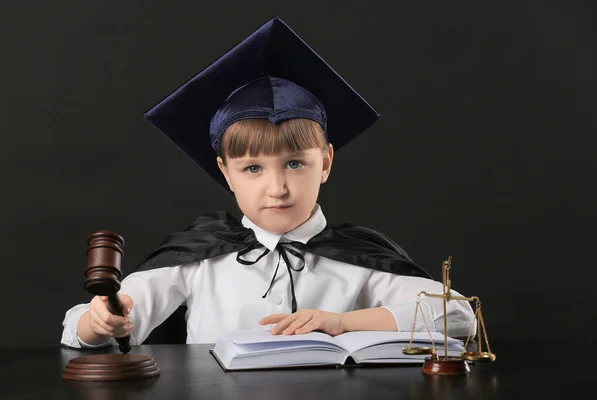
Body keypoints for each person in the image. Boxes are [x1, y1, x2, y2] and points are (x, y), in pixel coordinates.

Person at [61, 17, 476, 349]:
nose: (277, 188)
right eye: (253, 169)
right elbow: (96, 320)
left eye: (295, 163)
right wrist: (97, 322)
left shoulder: (358, 259)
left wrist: (339, 322)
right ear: (225, 171)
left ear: (326, 162)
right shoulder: (198, 256)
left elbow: (458, 315)